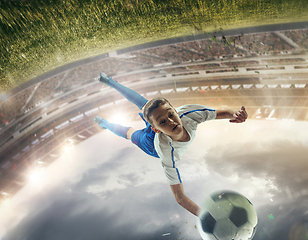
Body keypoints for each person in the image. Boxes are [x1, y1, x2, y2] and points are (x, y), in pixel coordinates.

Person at [94, 72, 248, 216]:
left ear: (175, 110)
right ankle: (104, 123)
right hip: (151, 144)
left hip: (159, 126)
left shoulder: (189, 114)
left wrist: (237, 114)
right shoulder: (166, 152)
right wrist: (204, 216)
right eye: (163, 121)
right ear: (155, 128)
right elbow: (180, 197)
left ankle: (109, 81)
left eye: (171, 114)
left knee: (146, 103)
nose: (172, 121)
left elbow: (224, 112)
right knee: (130, 133)